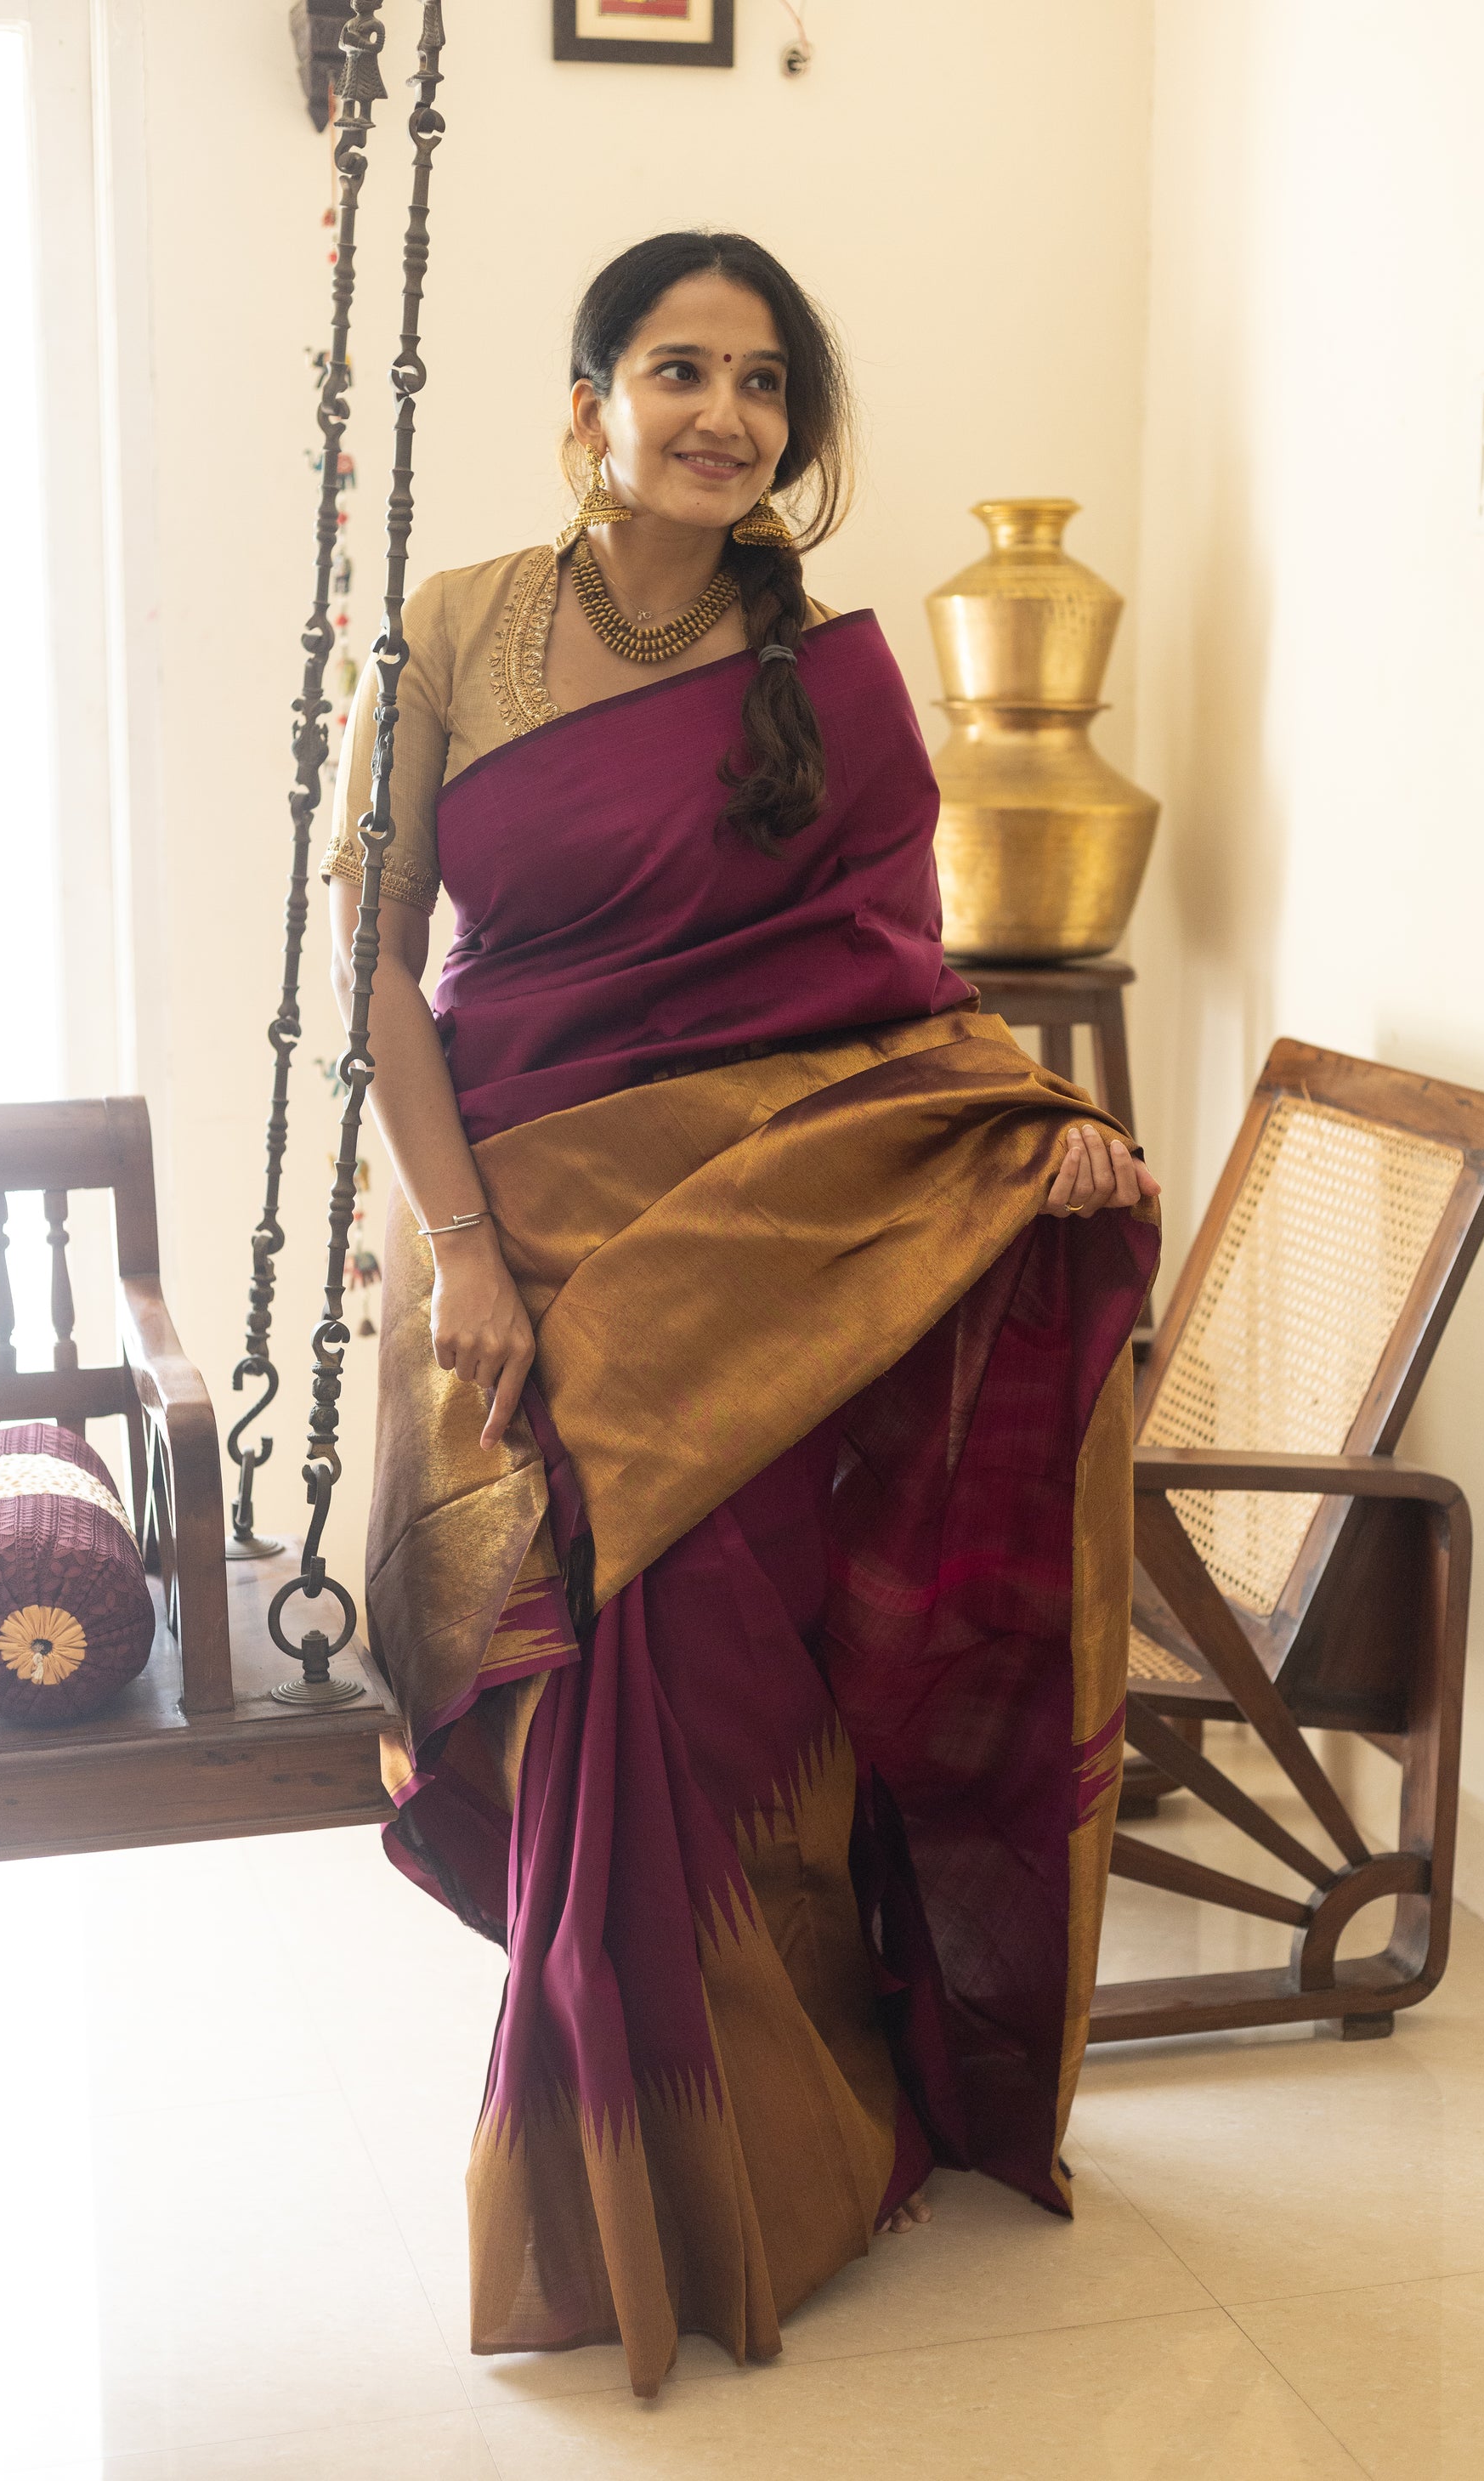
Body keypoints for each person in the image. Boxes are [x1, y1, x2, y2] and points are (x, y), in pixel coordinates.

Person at [325, 230, 1160, 2401]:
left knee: (713, 1670)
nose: (722, 413)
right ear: (588, 394)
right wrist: (470, 1252)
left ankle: (771, 2157)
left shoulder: (834, 675)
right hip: (520, 1221)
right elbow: (380, 967)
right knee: (582, 1665)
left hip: (759, 1240)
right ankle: (645, 2170)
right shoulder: (451, 629)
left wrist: (1024, 1124)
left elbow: (896, 979)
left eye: (764, 383)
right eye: (677, 369)